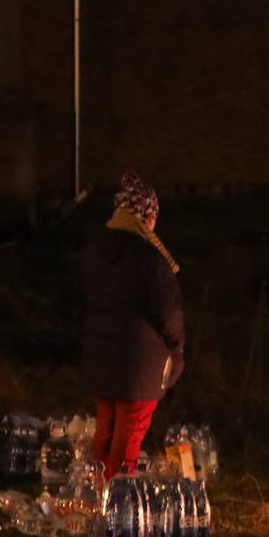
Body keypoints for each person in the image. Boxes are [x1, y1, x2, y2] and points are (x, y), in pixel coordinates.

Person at [80, 171, 184, 477]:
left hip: (100, 356)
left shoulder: (95, 253)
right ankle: (116, 505)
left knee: (106, 429)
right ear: (146, 216)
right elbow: (169, 313)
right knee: (129, 435)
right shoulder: (150, 260)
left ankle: (95, 495)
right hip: (140, 363)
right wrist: (176, 355)